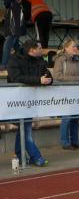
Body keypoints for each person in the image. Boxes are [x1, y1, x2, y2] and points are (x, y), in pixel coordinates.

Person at [7, 39, 50, 167]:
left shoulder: (40, 60)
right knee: (26, 128)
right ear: (32, 50)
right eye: (40, 48)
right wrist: (38, 80)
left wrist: (49, 80)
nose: (42, 50)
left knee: (24, 127)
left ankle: (20, 156)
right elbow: (16, 78)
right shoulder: (15, 60)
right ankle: (36, 157)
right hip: (17, 99)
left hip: (31, 100)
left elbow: (47, 74)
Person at [52, 37, 79, 149]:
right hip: (65, 93)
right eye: (73, 46)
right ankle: (65, 142)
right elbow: (57, 76)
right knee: (67, 118)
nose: (76, 48)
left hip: (76, 93)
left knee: (75, 118)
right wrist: (76, 79)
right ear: (66, 48)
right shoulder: (60, 60)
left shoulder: (78, 60)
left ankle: (75, 141)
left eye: (76, 46)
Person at [1, 0, 26, 69]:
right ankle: (24, 62)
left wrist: (14, 32)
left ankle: (4, 64)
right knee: (17, 48)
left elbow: (17, 21)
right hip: (13, 31)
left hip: (13, 31)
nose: (3, 2)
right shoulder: (12, 6)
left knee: (7, 47)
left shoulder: (14, 6)